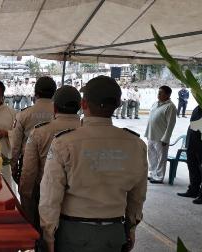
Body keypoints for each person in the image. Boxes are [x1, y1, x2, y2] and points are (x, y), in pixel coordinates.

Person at [39, 76, 147, 252]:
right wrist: (131, 229)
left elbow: (51, 195)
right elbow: (137, 197)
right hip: (114, 233)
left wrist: (48, 234)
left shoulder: (64, 143)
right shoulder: (136, 144)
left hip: (73, 235)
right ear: (118, 104)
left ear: (84, 104)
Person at [20, 85, 81, 237]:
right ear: (80, 106)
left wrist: (26, 200)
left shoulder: (40, 132)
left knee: (46, 239)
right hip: (80, 201)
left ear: (54, 108)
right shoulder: (88, 131)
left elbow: (29, 172)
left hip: (45, 197)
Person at [10, 76, 57, 184]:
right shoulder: (59, 114)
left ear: (35, 93)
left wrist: (13, 167)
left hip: (27, 163)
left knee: (28, 197)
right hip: (54, 164)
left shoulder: (24, 114)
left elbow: (16, 145)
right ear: (54, 92)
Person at [145, 85, 177, 184]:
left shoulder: (170, 106)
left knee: (161, 158)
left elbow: (171, 124)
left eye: (161, 93)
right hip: (151, 135)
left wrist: (166, 138)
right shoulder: (155, 104)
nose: (158, 95)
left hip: (161, 138)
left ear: (167, 95)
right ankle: (153, 174)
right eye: (158, 92)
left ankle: (159, 177)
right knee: (152, 156)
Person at [177, 105, 202, 204]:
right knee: (192, 166)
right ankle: (193, 190)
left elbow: (196, 125)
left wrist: (195, 125)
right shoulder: (197, 106)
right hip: (192, 142)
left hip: (200, 143)